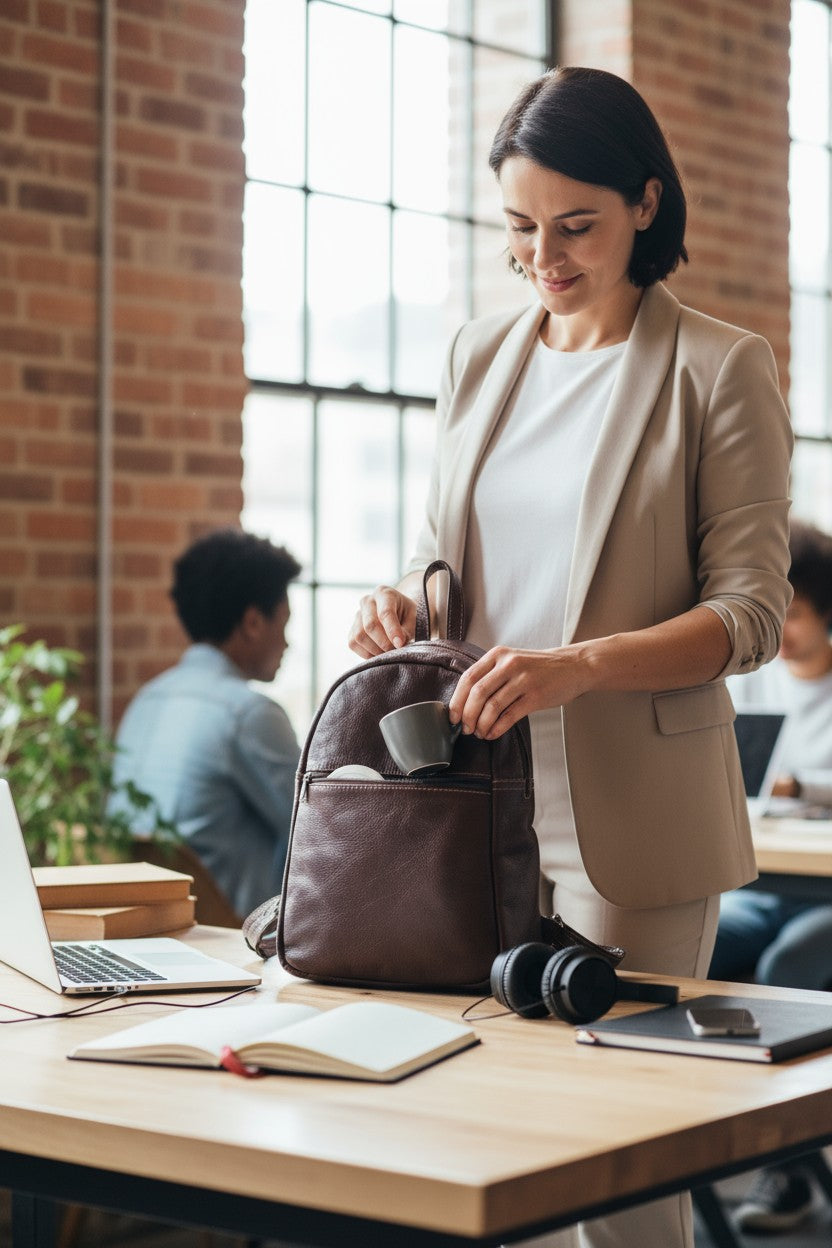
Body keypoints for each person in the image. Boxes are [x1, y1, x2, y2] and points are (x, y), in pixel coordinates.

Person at [348, 66, 792, 1248]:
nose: (542, 255)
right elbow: (444, 552)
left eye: (575, 225)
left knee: (620, 1179)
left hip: (631, 820)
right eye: (519, 228)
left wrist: (579, 664)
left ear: (646, 203)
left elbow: (748, 611)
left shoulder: (717, 366)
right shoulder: (476, 360)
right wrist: (402, 601)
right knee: (489, 1139)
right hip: (470, 803)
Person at [710, 519, 832, 1235]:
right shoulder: (755, 687)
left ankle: (787, 1165)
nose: (780, 627)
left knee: (786, 966)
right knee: (708, 942)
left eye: (796, 610)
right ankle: (687, 1134)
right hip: (762, 882)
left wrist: (804, 789)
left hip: (823, 894)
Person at [111, 528, 302, 920]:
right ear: (252, 622)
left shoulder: (147, 698)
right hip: (226, 936)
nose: (288, 643)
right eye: (284, 623)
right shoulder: (250, 714)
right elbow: (319, 827)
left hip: (139, 924)